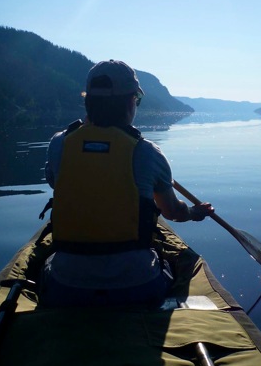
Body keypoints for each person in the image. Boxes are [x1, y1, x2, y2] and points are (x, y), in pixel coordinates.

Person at [40, 59, 214, 308]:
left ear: (88, 101)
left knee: (45, 267)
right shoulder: (148, 152)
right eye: (137, 99)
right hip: (137, 286)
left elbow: (59, 184)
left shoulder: (59, 144)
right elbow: (173, 212)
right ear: (130, 101)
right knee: (177, 267)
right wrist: (195, 212)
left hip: (66, 287)